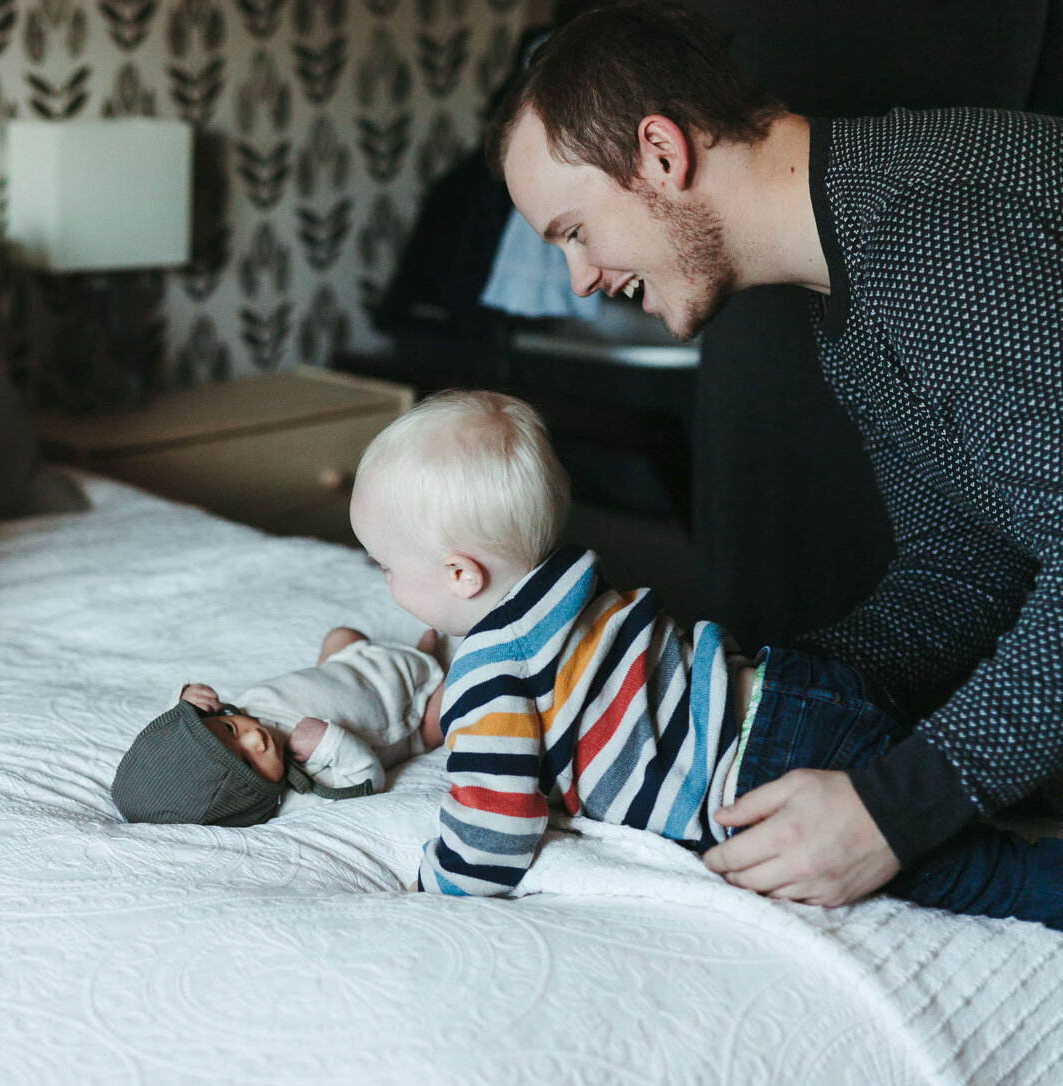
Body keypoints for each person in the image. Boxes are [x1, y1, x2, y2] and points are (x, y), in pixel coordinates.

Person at [481, 0, 1063, 908]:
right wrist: (743, 700)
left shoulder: (927, 228)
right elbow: (967, 564)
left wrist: (892, 811)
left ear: (661, 156)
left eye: (572, 232)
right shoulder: (852, 290)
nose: (582, 278)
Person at [349, 390, 1063, 926]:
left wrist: (432, 885)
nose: (383, 578)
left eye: (384, 565)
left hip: (761, 769)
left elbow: (494, 828)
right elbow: (573, 691)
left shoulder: (489, 674)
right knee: (963, 790)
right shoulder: (577, 588)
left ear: (460, 576)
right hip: (796, 690)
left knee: (972, 875)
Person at [111, 627, 446, 826]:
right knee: (447, 710)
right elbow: (367, 782)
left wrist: (185, 697)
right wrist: (330, 743)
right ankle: (428, 665)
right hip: (404, 717)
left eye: (230, 730)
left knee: (341, 636)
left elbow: (177, 733)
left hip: (346, 669)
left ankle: (412, 657)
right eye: (247, 762)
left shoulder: (222, 719)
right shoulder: (299, 792)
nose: (254, 737)